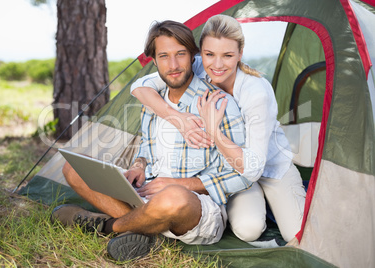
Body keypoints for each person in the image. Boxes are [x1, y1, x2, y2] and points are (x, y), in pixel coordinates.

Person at [51, 20, 251, 261]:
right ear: (154, 61)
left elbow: (243, 174)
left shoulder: (218, 103)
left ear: (193, 57)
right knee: (73, 168)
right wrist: (139, 165)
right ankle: (146, 232)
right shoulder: (154, 101)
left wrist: (181, 184)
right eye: (164, 56)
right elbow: (147, 144)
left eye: (181, 54)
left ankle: (106, 226)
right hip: (147, 195)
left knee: (174, 196)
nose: (174, 65)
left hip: (193, 208)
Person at [130, 14, 306, 243]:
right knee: (248, 228)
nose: (217, 65)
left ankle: (283, 200)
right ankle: (258, 204)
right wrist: (178, 119)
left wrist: (213, 131)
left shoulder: (256, 92)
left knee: (297, 235)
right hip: (232, 167)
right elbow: (139, 86)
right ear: (199, 53)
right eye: (209, 54)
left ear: (240, 53)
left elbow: (252, 169)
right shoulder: (195, 67)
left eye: (228, 55)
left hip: (266, 166)